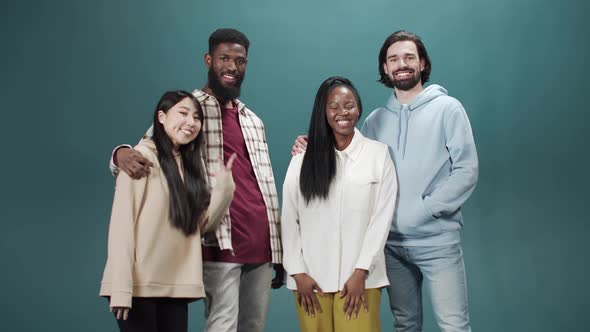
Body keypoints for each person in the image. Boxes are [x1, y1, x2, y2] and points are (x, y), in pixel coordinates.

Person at [292, 31, 479, 332]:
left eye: (408, 57)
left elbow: (467, 170)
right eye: (393, 59)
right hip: (389, 247)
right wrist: (313, 143)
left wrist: (425, 209)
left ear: (422, 62)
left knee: (453, 325)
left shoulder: (448, 109)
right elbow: (350, 160)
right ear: (384, 68)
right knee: (405, 324)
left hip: (438, 241)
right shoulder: (374, 121)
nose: (401, 64)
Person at [109, 28, 283, 332]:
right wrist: (119, 153)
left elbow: (265, 188)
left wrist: (278, 249)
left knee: (253, 327)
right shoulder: (190, 109)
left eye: (239, 61)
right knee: (222, 326)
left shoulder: (253, 120)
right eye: (224, 58)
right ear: (208, 60)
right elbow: (148, 152)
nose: (231, 67)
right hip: (219, 242)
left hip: (262, 246)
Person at [100, 90, 236, 332]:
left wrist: (225, 190)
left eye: (196, 118)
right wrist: (121, 288)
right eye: (182, 113)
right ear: (161, 117)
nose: (191, 122)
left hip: (174, 286)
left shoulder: (187, 167)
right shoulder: (139, 158)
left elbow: (198, 228)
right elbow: (122, 227)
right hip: (138, 287)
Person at [282, 77, 397, 332]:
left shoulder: (379, 155)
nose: (343, 112)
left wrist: (361, 272)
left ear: (359, 108)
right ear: (323, 112)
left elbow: (381, 220)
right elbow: (289, 219)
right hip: (310, 280)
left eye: (350, 105)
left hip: (361, 281)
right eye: (334, 106)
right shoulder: (302, 159)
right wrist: (297, 273)